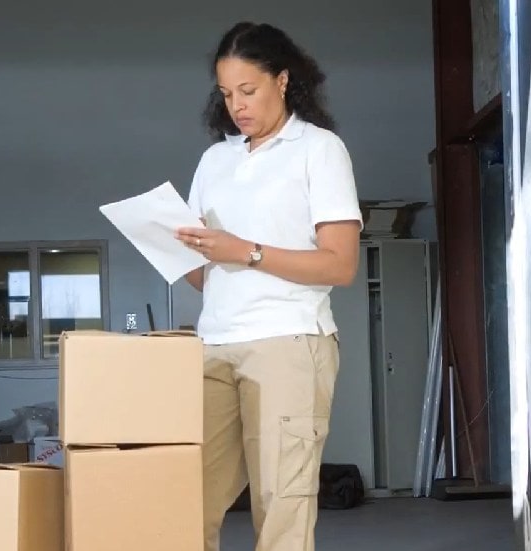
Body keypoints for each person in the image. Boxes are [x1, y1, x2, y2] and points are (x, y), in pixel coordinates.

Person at [174, 21, 362, 551]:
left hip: (289, 342)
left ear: (283, 80)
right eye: (227, 94)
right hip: (214, 344)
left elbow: (339, 266)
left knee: (282, 503)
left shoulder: (319, 150)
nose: (237, 105)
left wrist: (246, 252)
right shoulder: (216, 160)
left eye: (248, 90)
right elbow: (205, 277)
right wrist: (177, 252)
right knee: (185, 498)